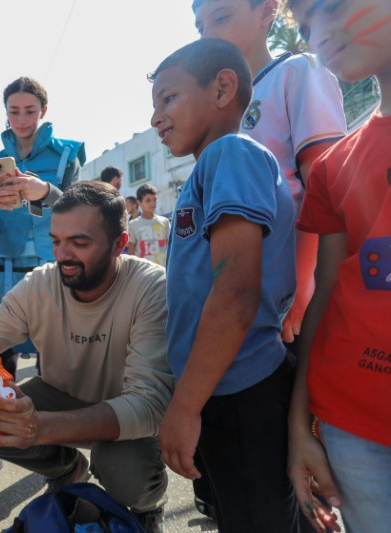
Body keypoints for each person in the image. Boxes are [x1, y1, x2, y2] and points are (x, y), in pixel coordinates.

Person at [0, 181, 171, 532]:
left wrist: (40, 428)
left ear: (120, 244)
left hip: (125, 416)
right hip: (60, 399)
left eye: (80, 242)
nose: (62, 255)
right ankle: (65, 469)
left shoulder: (152, 287)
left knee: (127, 473)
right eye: (56, 241)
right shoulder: (42, 283)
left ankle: (148, 507)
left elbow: (149, 406)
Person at [152, 39, 299, 533]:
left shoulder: (230, 154)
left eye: (167, 98)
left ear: (222, 88)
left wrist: (184, 407)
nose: (156, 118)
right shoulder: (208, 170)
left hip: (241, 393)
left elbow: (234, 294)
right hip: (222, 388)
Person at [284, 1, 391, 531]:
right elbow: (324, 297)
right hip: (355, 429)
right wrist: (300, 427)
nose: (316, 33)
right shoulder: (332, 166)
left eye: (330, 7)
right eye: (303, 26)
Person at [193, 0, 346, 344]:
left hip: (289, 298)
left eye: (221, 17)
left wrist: (303, 291)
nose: (209, 34)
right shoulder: (219, 115)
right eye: (200, 27)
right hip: (241, 296)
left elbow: (323, 188)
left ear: (266, 10)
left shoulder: (298, 71)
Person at [0, 76, 85, 493]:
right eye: (14, 110)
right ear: (5, 112)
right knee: (1, 366)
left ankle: (60, 459)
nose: (21, 119)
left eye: (30, 110)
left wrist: (47, 192)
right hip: (2, 269)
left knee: (53, 367)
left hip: (51, 272)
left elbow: (84, 209)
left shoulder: (67, 154)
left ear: (44, 111)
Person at [128, 183, 172, 267]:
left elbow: (170, 247)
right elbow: (131, 251)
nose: (152, 203)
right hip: (144, 273)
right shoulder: (133, 224)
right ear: (139, 202)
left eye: (155, 199)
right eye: (148, 200)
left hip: (164, 270)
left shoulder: (165, 221)